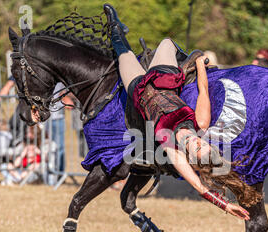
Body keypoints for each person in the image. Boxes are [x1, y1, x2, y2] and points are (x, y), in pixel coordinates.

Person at [104, 4, 253, 220]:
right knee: (166, 42)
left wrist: (226, 205)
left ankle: (116, 25)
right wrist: (200, 63)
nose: (197, 143)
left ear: (191, 157)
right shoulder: (201, 123)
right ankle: (177, 56)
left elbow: (199, 187)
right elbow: (203, 89)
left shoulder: (170, 146)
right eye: (203, 144)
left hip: (139, 91)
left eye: (197, 150)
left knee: (122, 53)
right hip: (164, 78)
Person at [46, 82, 74, 185]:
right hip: (43, 118)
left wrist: (65, 96)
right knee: (46, 148)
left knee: (59, 149)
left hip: (57, 118)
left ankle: (59, 176)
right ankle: (47, 175)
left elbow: (69, 90)